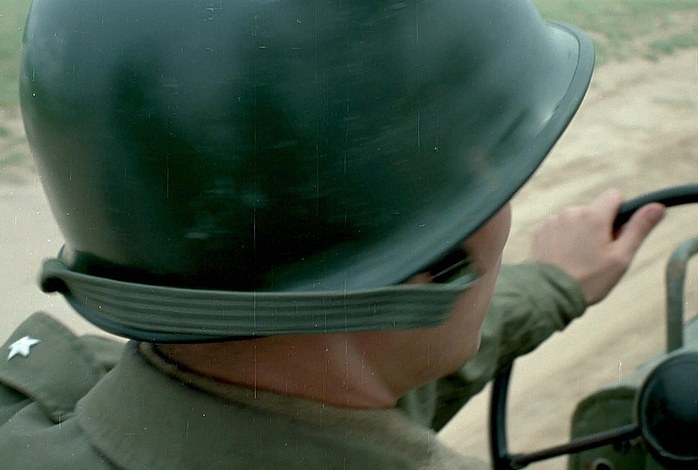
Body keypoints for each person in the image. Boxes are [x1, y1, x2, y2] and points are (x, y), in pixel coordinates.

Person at [1, 1, 664, 468]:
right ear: (435, 264)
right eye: (494, 186)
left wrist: (552, 283)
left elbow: (341, 366)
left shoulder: (35, 411)